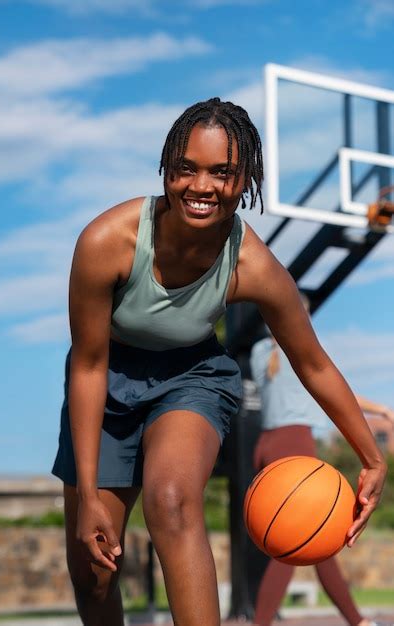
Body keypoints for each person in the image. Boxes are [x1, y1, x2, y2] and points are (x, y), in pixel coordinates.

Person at [51, 97, 387, 626]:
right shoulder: (106, 243)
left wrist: (371, 457)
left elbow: (314, 364)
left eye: (222, 173)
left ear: (245, 179)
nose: (201, 186)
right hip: (108, 378)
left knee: (171, 500)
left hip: (192, 376)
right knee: (93, 571)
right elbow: (89, 365)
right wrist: (89, 491)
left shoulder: (251, 264)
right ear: (167, 168)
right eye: (187, 168)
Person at [250, 297, 394, 626]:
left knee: (313, 538)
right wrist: (382, 410)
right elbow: (338, 394)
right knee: (298, 537)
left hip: (266, 444)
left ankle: (357, 621)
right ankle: (263, 623)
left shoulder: (260, 354)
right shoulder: (299, 350)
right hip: (294, 441)